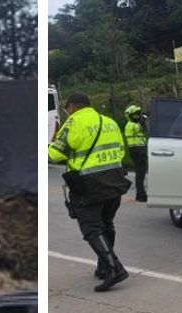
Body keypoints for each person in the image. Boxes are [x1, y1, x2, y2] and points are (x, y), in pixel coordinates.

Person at [48, 92, 131, 292]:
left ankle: (114, 268)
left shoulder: (74, 122)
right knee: (106, 223)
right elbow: (121, 150)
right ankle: (103, 267)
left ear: (73, 107)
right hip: (115, 180)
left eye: (67, 110)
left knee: (91, 227)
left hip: (89, 185)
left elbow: (56, 154)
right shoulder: (108, 121)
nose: (67, 113)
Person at [123, 104, 149, 203]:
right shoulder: (130, 125)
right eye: (135, 115)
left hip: (140, 149)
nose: (137, 117)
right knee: (140, 172)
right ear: (129, 116)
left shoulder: (135, 123)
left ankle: (141, 193)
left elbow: (144, 129)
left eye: (138, 115)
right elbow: (138, 127)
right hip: (136, 150)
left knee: (141, 172)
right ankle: (140, 194)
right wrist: (143, 118)